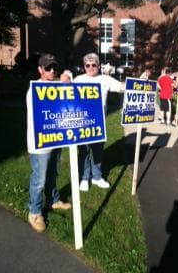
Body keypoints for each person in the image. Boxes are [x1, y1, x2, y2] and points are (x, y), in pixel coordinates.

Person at [27, 53, 72, 233]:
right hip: (40, 144)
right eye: (48, 68)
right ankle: (34, 212)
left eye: (54, 67)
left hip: (55, 139)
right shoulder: (35, 89)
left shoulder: (55, 87)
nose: (52, 71)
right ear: (40, 70)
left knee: (53, 173)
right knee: (39, 179)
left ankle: (53, 200)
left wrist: (67, 79)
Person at [74, 52, 123, 192]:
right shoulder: (78, 79)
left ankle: (96, 177)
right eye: (87, 65)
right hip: (82, 123)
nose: (90, 67)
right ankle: (84, 178)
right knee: (83, 151)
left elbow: (122, 87)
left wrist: (140, 82)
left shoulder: (105, 79)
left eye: (93, 64)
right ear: (84, 66)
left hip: (98, 124)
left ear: (99, 66)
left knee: (97, 151)